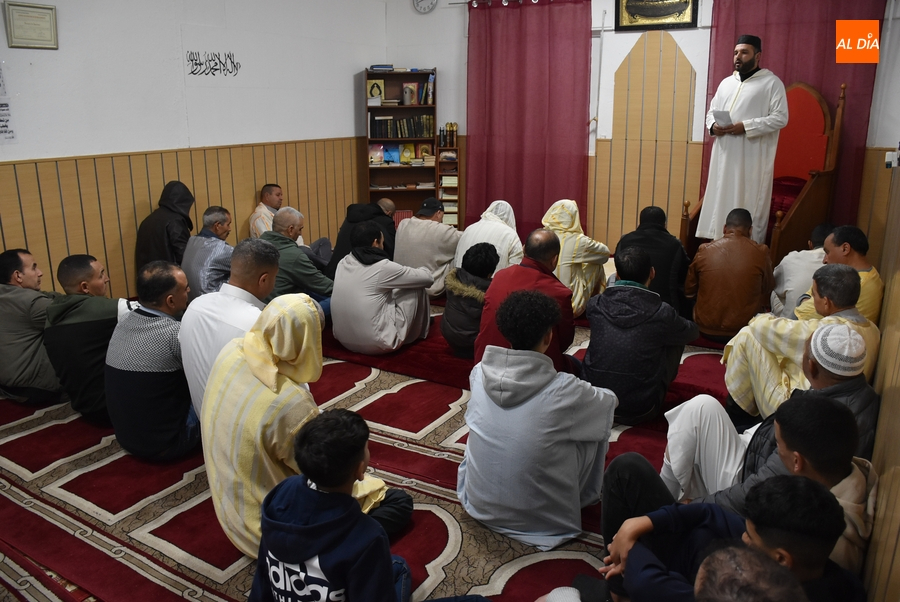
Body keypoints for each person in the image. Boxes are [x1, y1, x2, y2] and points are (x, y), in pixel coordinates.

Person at [202, 297, 410, 558]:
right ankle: (342, 549)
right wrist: (363, 474)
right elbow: (324, 474)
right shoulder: (289, 404)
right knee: (396, 501)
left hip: (229, 510)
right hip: (268, 534)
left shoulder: (233, 350)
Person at [251, 410, 485, 602]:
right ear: (360, 470)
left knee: (397, 566)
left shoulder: (281, 493)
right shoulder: (366, 537)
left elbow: (262, 578)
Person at [458, 290, 618, 550]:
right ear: (548, 336)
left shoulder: (478, 373)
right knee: (595, 427)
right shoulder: (565, 389)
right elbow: (608, 403)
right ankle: (581, 499)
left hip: (478, 503)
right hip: (542, 523)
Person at [664, 326, 879, 517]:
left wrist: (697, 507)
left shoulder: (825, 423)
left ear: (811, 367)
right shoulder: (860, 394)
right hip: (759, 450)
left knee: (697, 410)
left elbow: (763, 487)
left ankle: (664, 500)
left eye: (802, 354)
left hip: (749, 477)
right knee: (702, 412)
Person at [600, 474, 865, 602]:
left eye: (750, 537)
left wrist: (628, 548)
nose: (743, 538)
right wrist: (638, 525)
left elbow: (650, 586)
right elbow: (711, 512)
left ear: (781, 558)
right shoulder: (800, 554)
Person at [724, 264, 880, 419]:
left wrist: (762, 317)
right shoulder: (873, 329)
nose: (811, 299)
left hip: (799, 408)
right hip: (836, 407)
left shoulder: (827, 333)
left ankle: (738, 415)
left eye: (814, 295)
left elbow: (761, 326)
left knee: (747, 335)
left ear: (826, 302)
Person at [583, 246, 698, 425]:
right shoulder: (662, 312)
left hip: (595, 401)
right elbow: (692, 333)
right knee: (677, 334)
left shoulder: (595, 304)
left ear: (617, 276)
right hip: (641, 409)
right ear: (652, 273)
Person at [696, 35, 788, 243]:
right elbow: (711, 112)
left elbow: (781, 118)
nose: (738, 56)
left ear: (758, 56)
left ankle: (746, 249)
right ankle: (718, 245)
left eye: (744, 52)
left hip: (751, 158)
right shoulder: (726, 83)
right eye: (736, 52)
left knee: (746, 199)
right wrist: (713, 126)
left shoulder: (771, 83)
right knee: (721, 198)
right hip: (724, 154)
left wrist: (746, 126)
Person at [105, 261, 199, 461]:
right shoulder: (175, 334)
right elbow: (206, 376)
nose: (189, 290)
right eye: (186, 288)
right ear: (171, 301)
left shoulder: (124, 322)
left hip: (127, 437)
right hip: (167, 443)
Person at [179, 238, 280, 414]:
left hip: (202, 419)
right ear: (264, 279)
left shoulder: (196, 305)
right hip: (241, 429)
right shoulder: (260, 323)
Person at [44, 255, 139, 424]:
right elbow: (163, 315)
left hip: (84, 407)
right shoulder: (113, 309)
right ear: (85, 287)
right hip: (117, 409)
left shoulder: (50, 319)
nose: (107, 278)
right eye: (101, 274)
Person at [475, 229, 579, 375]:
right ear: (555, 259)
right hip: (536, 373)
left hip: (486, 363)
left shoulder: (500, 276)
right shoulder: (559, 292)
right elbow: (564, 342)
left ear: (523, 249)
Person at [331, 221, 433, 355]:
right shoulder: (382, 267)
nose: (383, 246)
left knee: (389, 289)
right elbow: (427, 279)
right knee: (416, 286)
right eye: (382, 242)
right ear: (375, 243)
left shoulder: (344, 262)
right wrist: (421, 267)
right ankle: (418, 334)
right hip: (378, 343)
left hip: (342, 339)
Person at [685, 208, 774, 341]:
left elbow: (689, 291)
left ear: (724, 228)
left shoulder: (704, 250)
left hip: (705, 328)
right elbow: (768, 288)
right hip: (744, 330)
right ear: (750, 230)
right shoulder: (761, 252)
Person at [0, 249, 62, 402]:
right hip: (34, 387)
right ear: (18, 276)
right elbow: (75, 312)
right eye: (34, 267)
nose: (40, 273)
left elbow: (48, 296)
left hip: (5, 384)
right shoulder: (31, 303)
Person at [794, 226, 884, 324]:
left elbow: (800, 315)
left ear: (845, 249)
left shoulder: (854, 283)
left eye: (827, 252)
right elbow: (807, 296)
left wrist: (808, 299)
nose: (824, 260)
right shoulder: (869, 275)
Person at [616, 206, 691, 318]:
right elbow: (686, 274)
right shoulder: (674, 244)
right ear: (664, 224)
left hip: (625, 305)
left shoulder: (625, 240)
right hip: (666, 308)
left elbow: (619, 269)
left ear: (640, 223)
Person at [541, 199, 610, 317]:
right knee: (595, 263)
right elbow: (604, 254)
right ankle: (597, 305)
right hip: (569, 307)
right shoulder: (578, 241)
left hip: (539, 302)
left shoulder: (539, 237)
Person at [260, 207, 333, 313]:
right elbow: (326, 286)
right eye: (300, 229)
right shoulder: (294, 256)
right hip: (284, 313)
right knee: (340, 298)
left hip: (262, 307)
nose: (300, 234)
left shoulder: (258, 244)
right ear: (290, 229)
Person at [393, 197, 461, 297]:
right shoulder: (440, 230)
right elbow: (465, 237)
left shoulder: (403, 224)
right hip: (428, 289)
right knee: (458, 254)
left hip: (401, 285)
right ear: (438, 213)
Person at [441, 242, 500, 358]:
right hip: (473, 344)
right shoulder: (490, 292)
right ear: (489, 273)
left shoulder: (453, 279)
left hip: (448, 333)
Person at [771, 223, 834, 318]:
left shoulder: (792, 258)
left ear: (810, 244)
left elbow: (772, 283)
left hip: (792, 322)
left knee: (774, 290)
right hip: (824, 321)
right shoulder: (843, 265)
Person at [324, 198, 397, 280]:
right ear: (389, 213)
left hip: (335, 271)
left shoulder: (350, 217)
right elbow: (393, 251)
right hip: (361, 276)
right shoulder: (386, 222)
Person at [134, 180, 195, 270]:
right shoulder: (175, 221)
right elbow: (184, 256)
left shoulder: (147, 220)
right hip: (169, 276)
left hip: (149, 277)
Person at [453, 200, 523, 276]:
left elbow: (456, 259)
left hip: (461, 282)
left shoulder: (469, 229)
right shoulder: (511, 235)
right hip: (492, 286)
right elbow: (515, 270)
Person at [181, 206, 233, 302]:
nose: (229, 229)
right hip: (213, 304)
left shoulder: (191, 241)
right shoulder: (222, 249)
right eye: (228, 224)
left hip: (190, 303)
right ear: (217, 226)